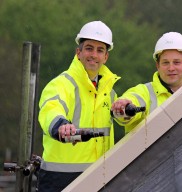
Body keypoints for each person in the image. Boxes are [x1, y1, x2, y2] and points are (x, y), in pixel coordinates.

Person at [37, 20, 120, 191]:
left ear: (106, 56)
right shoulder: (61, 84)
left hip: (101, 178)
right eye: (89, 48)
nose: (94, 55)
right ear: (78, 52)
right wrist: (61, 125)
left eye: (100, 50)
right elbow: (51, 108)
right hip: (60, 180)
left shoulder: (110, 93)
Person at [111, 32, 182, 133]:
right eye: (165, 63)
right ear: (157, 66)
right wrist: (124, 106)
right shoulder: (145, 92)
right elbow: (133, 99)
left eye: (176, 62)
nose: (171, 68)